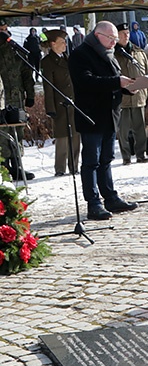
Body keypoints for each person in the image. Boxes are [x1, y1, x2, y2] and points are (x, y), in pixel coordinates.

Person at [67, 21, 138, 220]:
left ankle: (110, 197)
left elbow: (112, 80)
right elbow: (86, 82)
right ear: (98, 35)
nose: (115, 42)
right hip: (91, 116)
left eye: (116, 39)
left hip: (110, 116)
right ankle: (94, 203)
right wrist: (118, 82)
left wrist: (127, 87)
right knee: (91, 161)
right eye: (111, 38)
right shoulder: (81, 54)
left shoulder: (109, 53)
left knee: (106, 160)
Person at [0, 21, 36, 180]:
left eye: (4, 29)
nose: (3, 33)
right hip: (1, 99)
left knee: (17, 133)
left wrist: (30, 95)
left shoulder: (16, 49)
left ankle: (18, 165)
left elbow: (27, 74)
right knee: (2, 134)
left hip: (16, 99)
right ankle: (4, 168)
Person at [41, 30, 80, 177]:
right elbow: (48, 87)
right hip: (60, 103)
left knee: (76, 136)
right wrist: (50, 108)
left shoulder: (67, 59)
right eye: (62, 42)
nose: (65, 45)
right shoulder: (47, 62)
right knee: (62, 136)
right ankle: (60, 168)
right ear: (53, 44)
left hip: (73, 102)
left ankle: (74, 166)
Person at [114, 23, 148, 165]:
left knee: (140, 128)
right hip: (122, 98)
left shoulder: (138, 52)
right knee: (123, 131)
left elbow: (147, 72)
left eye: (127, 33)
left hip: (138, 96)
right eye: (122, 33)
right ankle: (126, 157)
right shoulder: (112, 54)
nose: (126, 36)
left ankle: (141, 154)